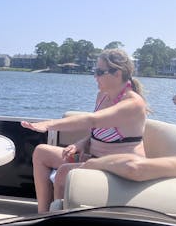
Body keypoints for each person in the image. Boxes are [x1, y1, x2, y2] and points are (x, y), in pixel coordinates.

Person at [21, 49, 147, 212]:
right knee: (41, 152)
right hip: (94, 158)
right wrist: (82, 142)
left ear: (118, 73)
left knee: (64, 172)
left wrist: (49, 124)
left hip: (120, 169)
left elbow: (92, 120)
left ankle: (58, 221)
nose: (95, 76)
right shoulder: (102, 95)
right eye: (95, 71)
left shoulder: (133, 104)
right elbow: (100, 127)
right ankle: (43, 214)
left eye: (100, 72)